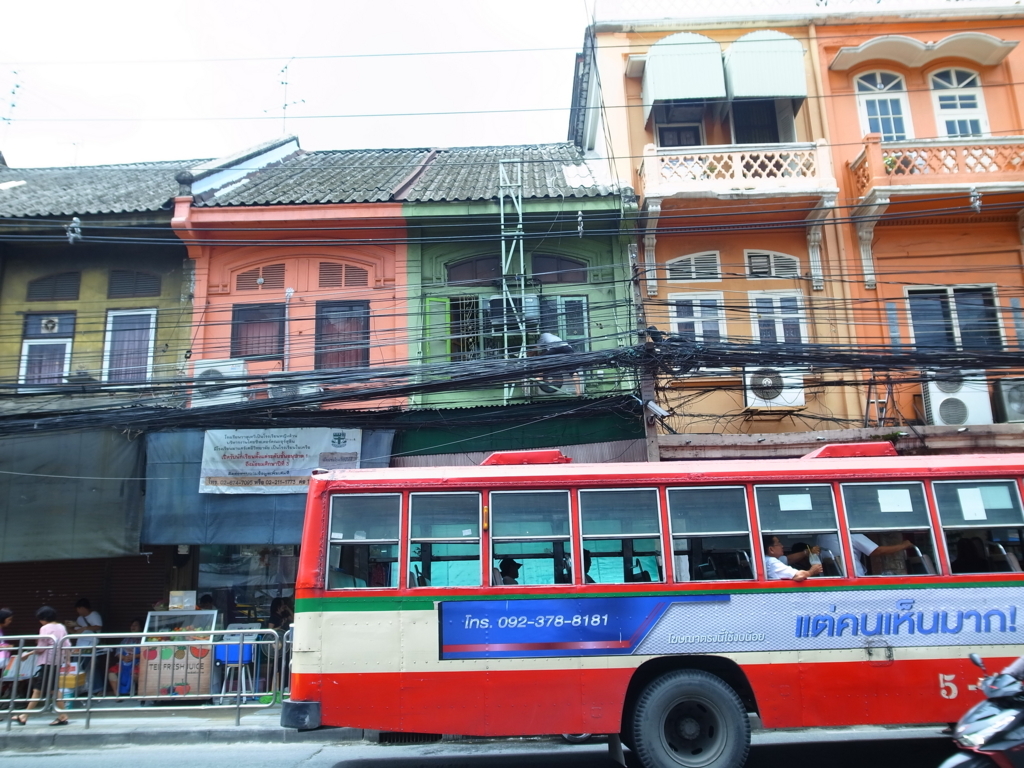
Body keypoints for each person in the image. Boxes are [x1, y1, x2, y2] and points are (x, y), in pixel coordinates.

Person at [11, 605, 69, 726]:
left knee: (39, 690)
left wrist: (28, 654)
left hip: (47, 662)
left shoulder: (45, 628)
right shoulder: (61, 627)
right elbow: (67, 644)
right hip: (57, 661)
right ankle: (62, 715)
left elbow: (41, 648)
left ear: (43, 618)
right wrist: (67, 660)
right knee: (52, 689)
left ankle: (25, 716)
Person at [817, 533, 914, 577]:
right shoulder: (849, 533)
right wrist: (904, 545)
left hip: (838, 579)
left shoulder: (821, 536)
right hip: (855, 579)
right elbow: (876, 551)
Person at [66, 598, 104, 695]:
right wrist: (67, 627)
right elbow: (76, 633)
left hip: (91, 644)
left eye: (78, 609)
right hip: (80, 645)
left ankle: (98, 689)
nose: (77, 611)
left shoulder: (94, 615)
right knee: (77, 666)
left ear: (82, 608)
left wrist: (82, 626)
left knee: (91, 666)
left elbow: (98, 626)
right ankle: (81, 688)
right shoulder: (80, 618)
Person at [107, 618, 143, 698]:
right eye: (132, 625)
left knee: (135, 674)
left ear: (140, 628)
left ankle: (139, 692)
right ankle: (116, 695)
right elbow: (117, 652)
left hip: (137, 663)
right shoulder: (126, 639)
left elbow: (146, 653)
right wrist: (123, 657)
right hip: (123, 663)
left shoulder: (143, 639)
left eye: (136, 625)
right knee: (111, 673)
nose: (133, 627)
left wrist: (134, 656)